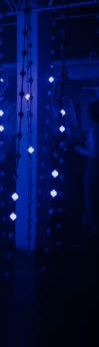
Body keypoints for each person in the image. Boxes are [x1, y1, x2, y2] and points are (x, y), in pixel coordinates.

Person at [75, 100, 99, 241]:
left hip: (94, 166)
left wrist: (77, 149)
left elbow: (95, 153)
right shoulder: (94, 128)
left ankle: (94, 230)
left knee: (91, 198)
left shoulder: (96, 129)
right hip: (94, 166)